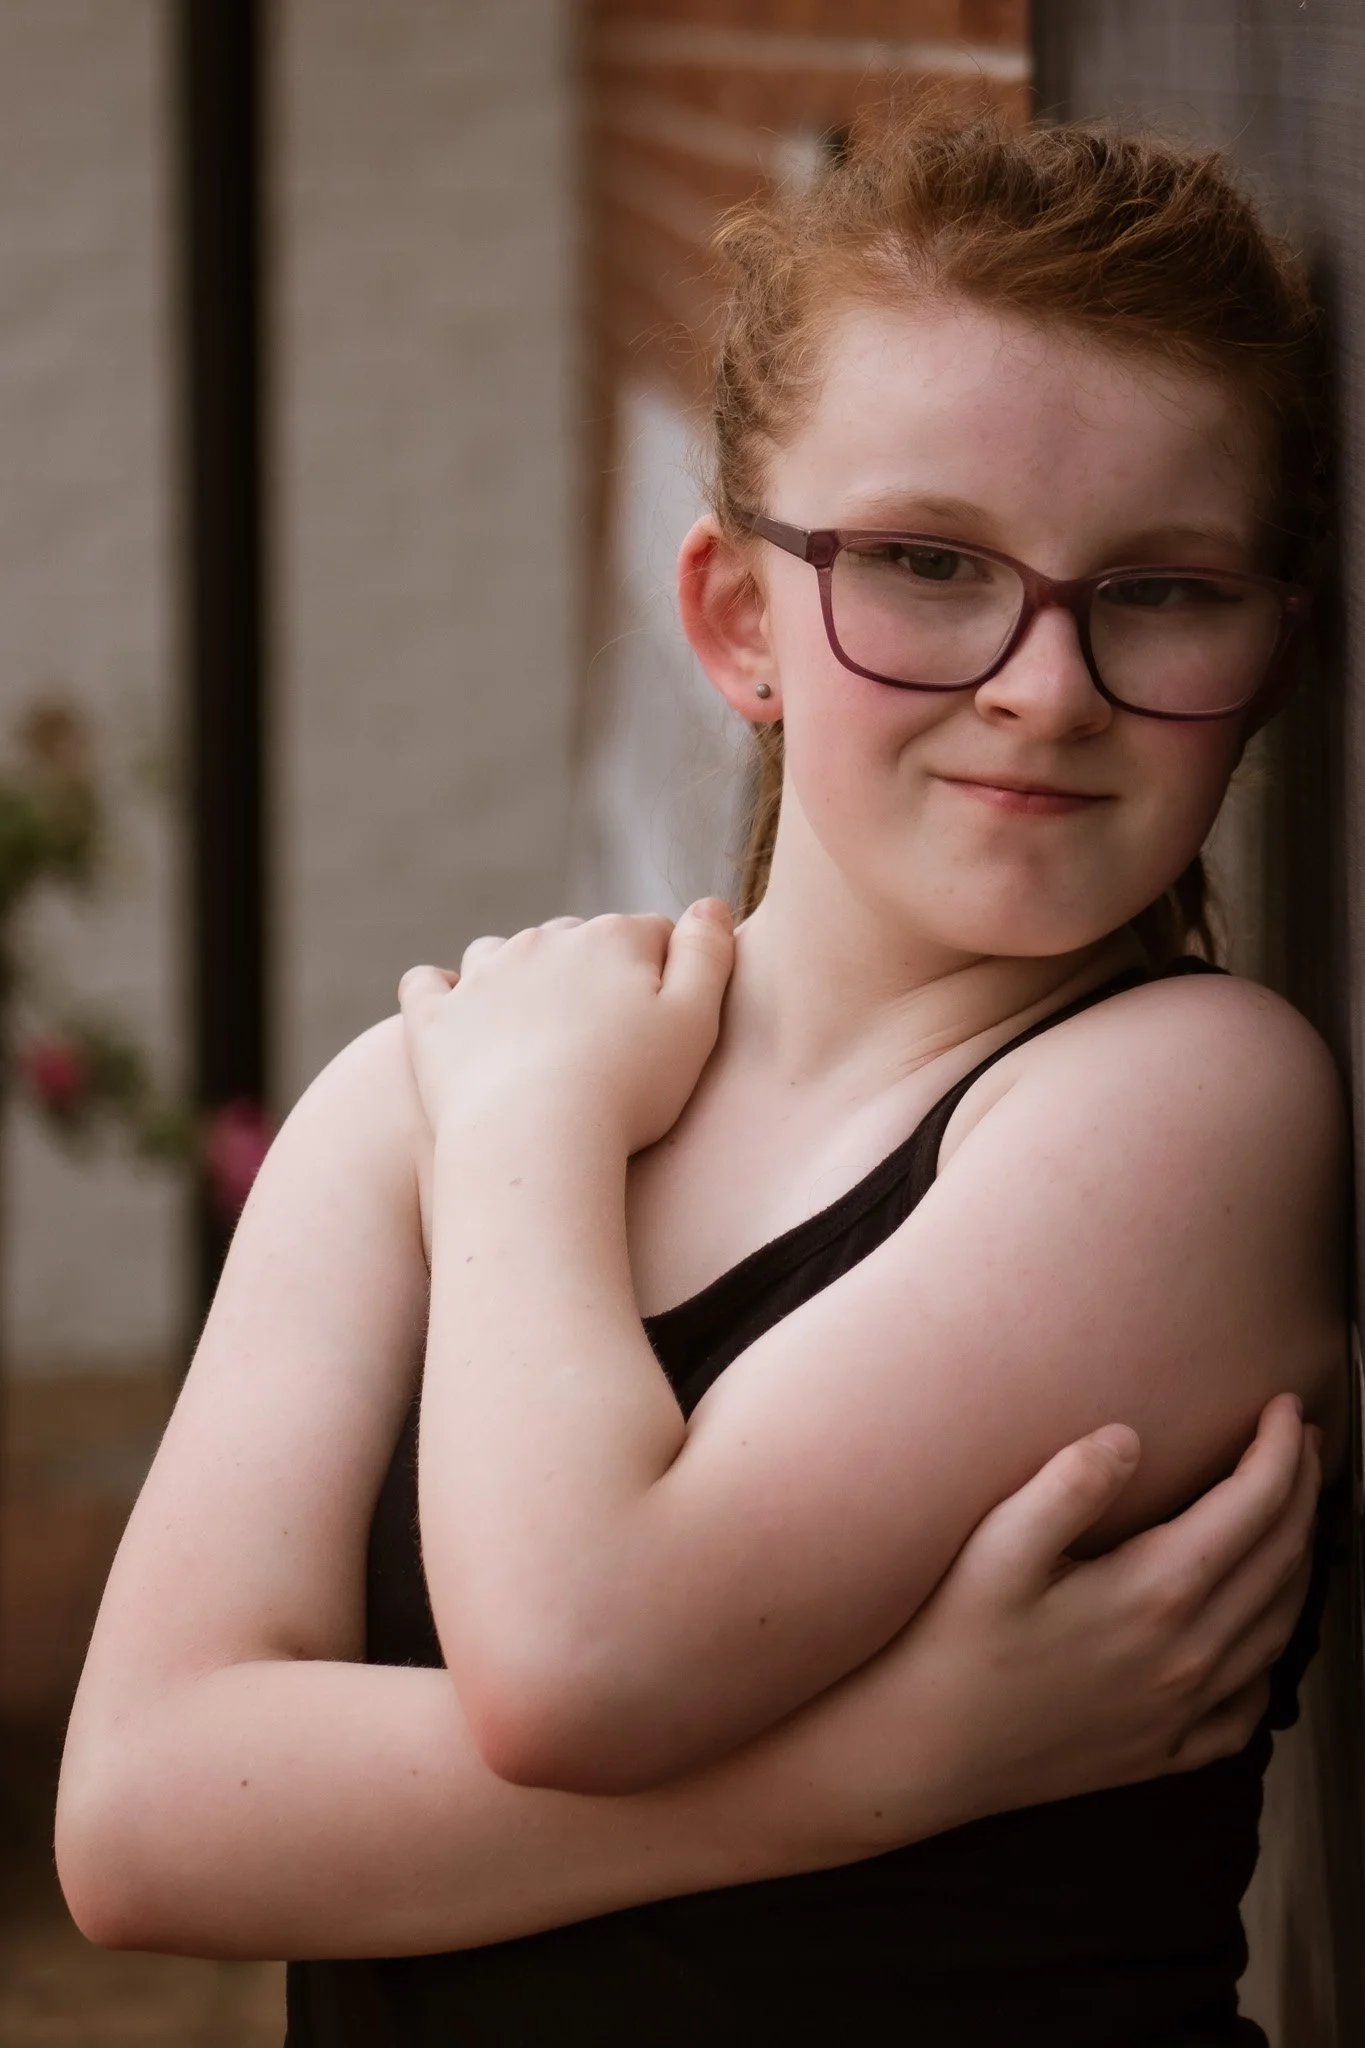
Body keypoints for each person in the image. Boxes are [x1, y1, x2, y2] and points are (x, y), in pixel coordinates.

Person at [57, 109, 1346, 2046]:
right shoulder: (436, 1097)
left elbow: (582, 1646)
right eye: (927, 562)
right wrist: (885, 1766)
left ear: (1267, 656)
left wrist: (513, 1143)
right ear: (739, 615)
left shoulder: (1188, 1108)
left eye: (1158, 590)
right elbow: (145, 1819)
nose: (1047, 684)